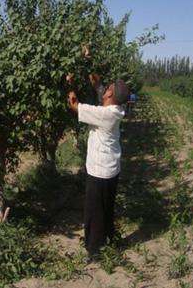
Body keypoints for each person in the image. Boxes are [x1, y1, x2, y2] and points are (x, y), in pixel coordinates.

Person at [66, 72, 128, 261]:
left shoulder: (104, 114)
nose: (105, 89)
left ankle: (94, 251)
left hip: (99, 171)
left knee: (94, 212)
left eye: (108, 88)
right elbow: (99, 87)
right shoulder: (116, 108)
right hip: (111, 169)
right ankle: (109, 238)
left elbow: (74, 105)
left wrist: (69, 84)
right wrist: (94, 74)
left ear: (110, 96)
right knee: (106, 208)